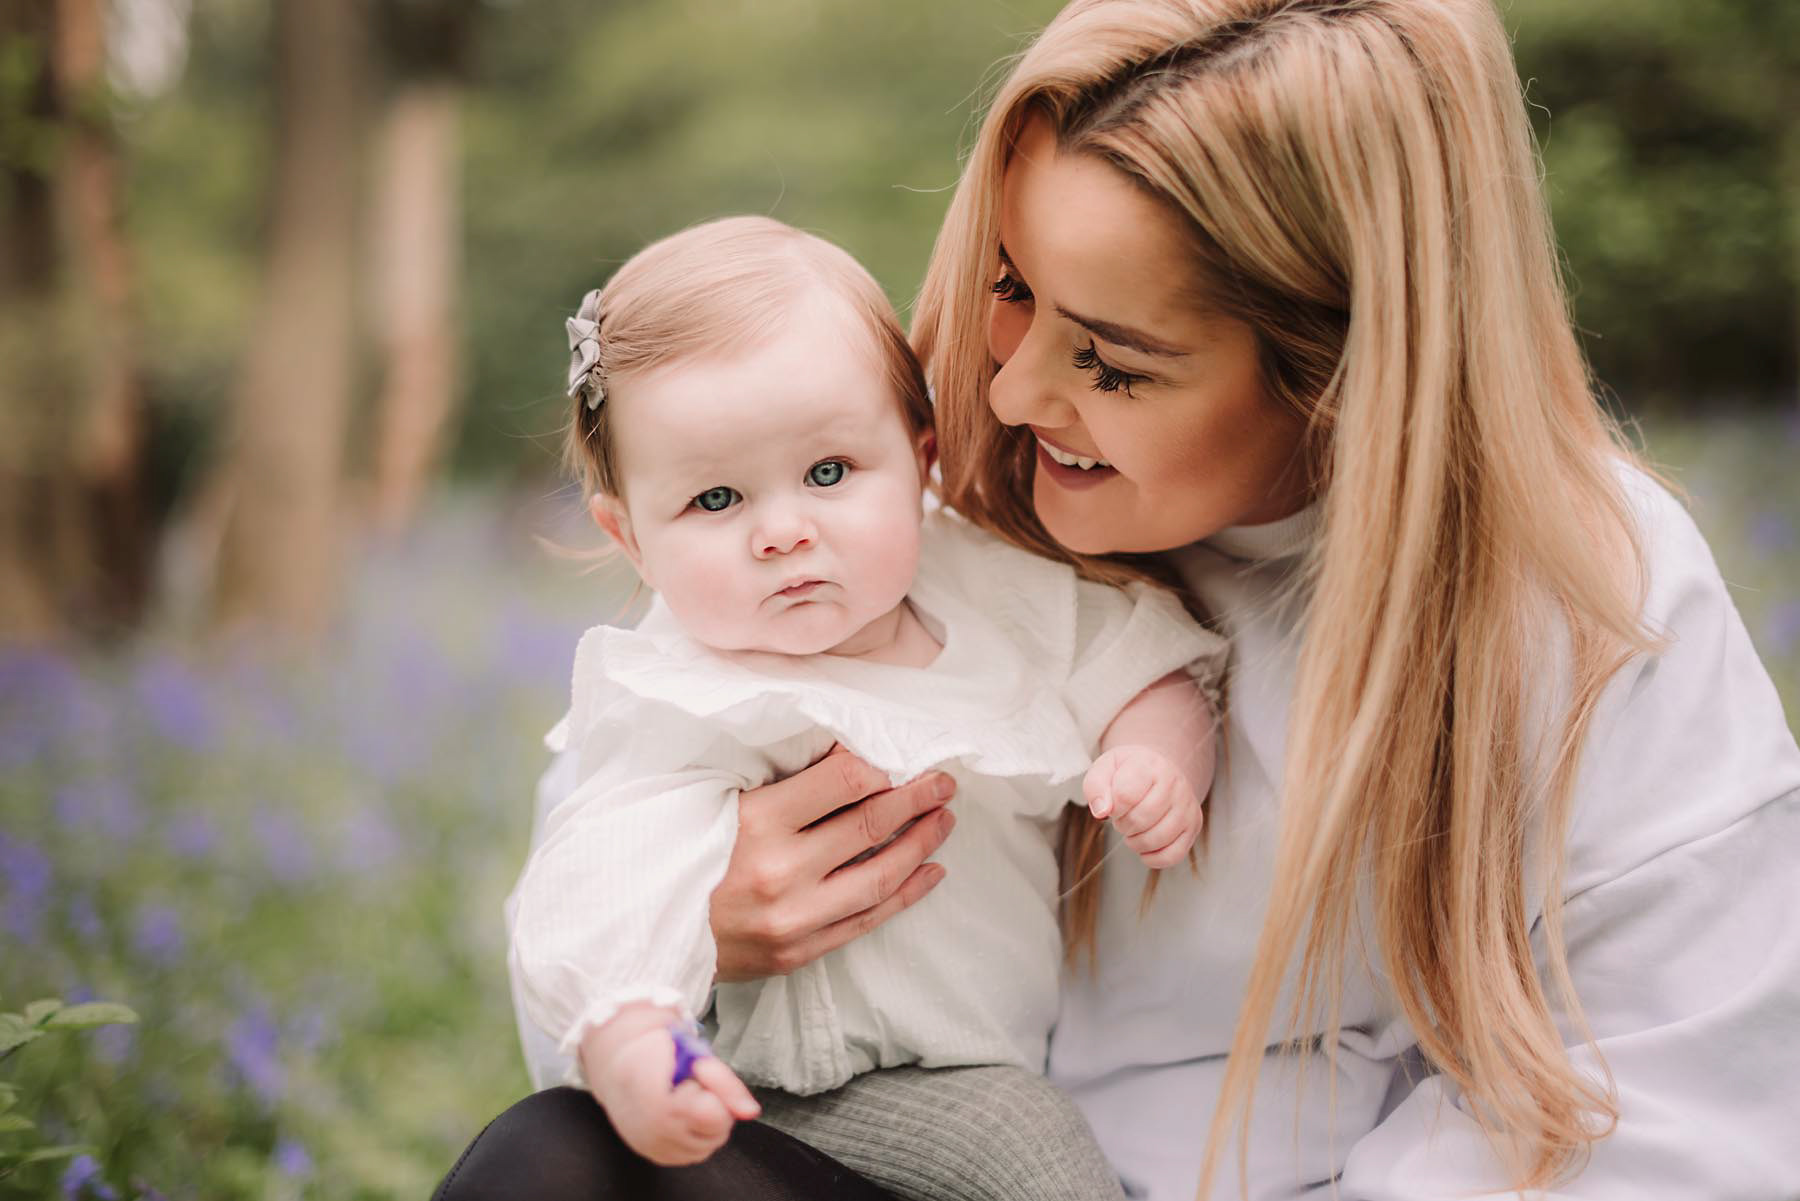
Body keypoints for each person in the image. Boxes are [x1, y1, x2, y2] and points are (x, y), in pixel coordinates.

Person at [435, 1, 1800, 1199]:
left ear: (1341, 371)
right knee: (550, 1164)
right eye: (1012, 289)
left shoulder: (1579, 595)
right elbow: (611, 832)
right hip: (906, 1141)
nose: (1011, 389)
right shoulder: (896, 515)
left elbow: (1668, 1111)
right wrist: (709, 928)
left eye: (1115, 360)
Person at [504, 215, 1224, 1201]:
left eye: (829, 473)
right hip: (770, 1090)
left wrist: (1156, 758)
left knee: (1023, 1130)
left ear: (920, 459)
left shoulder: (993, 594)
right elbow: (600, 885)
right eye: (715, 500)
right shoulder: (685, 697)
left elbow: (1138, 664)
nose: (783, 532)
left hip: (969, 1067)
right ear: (630, 537)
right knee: (1027, 1146)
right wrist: (633, 1040)